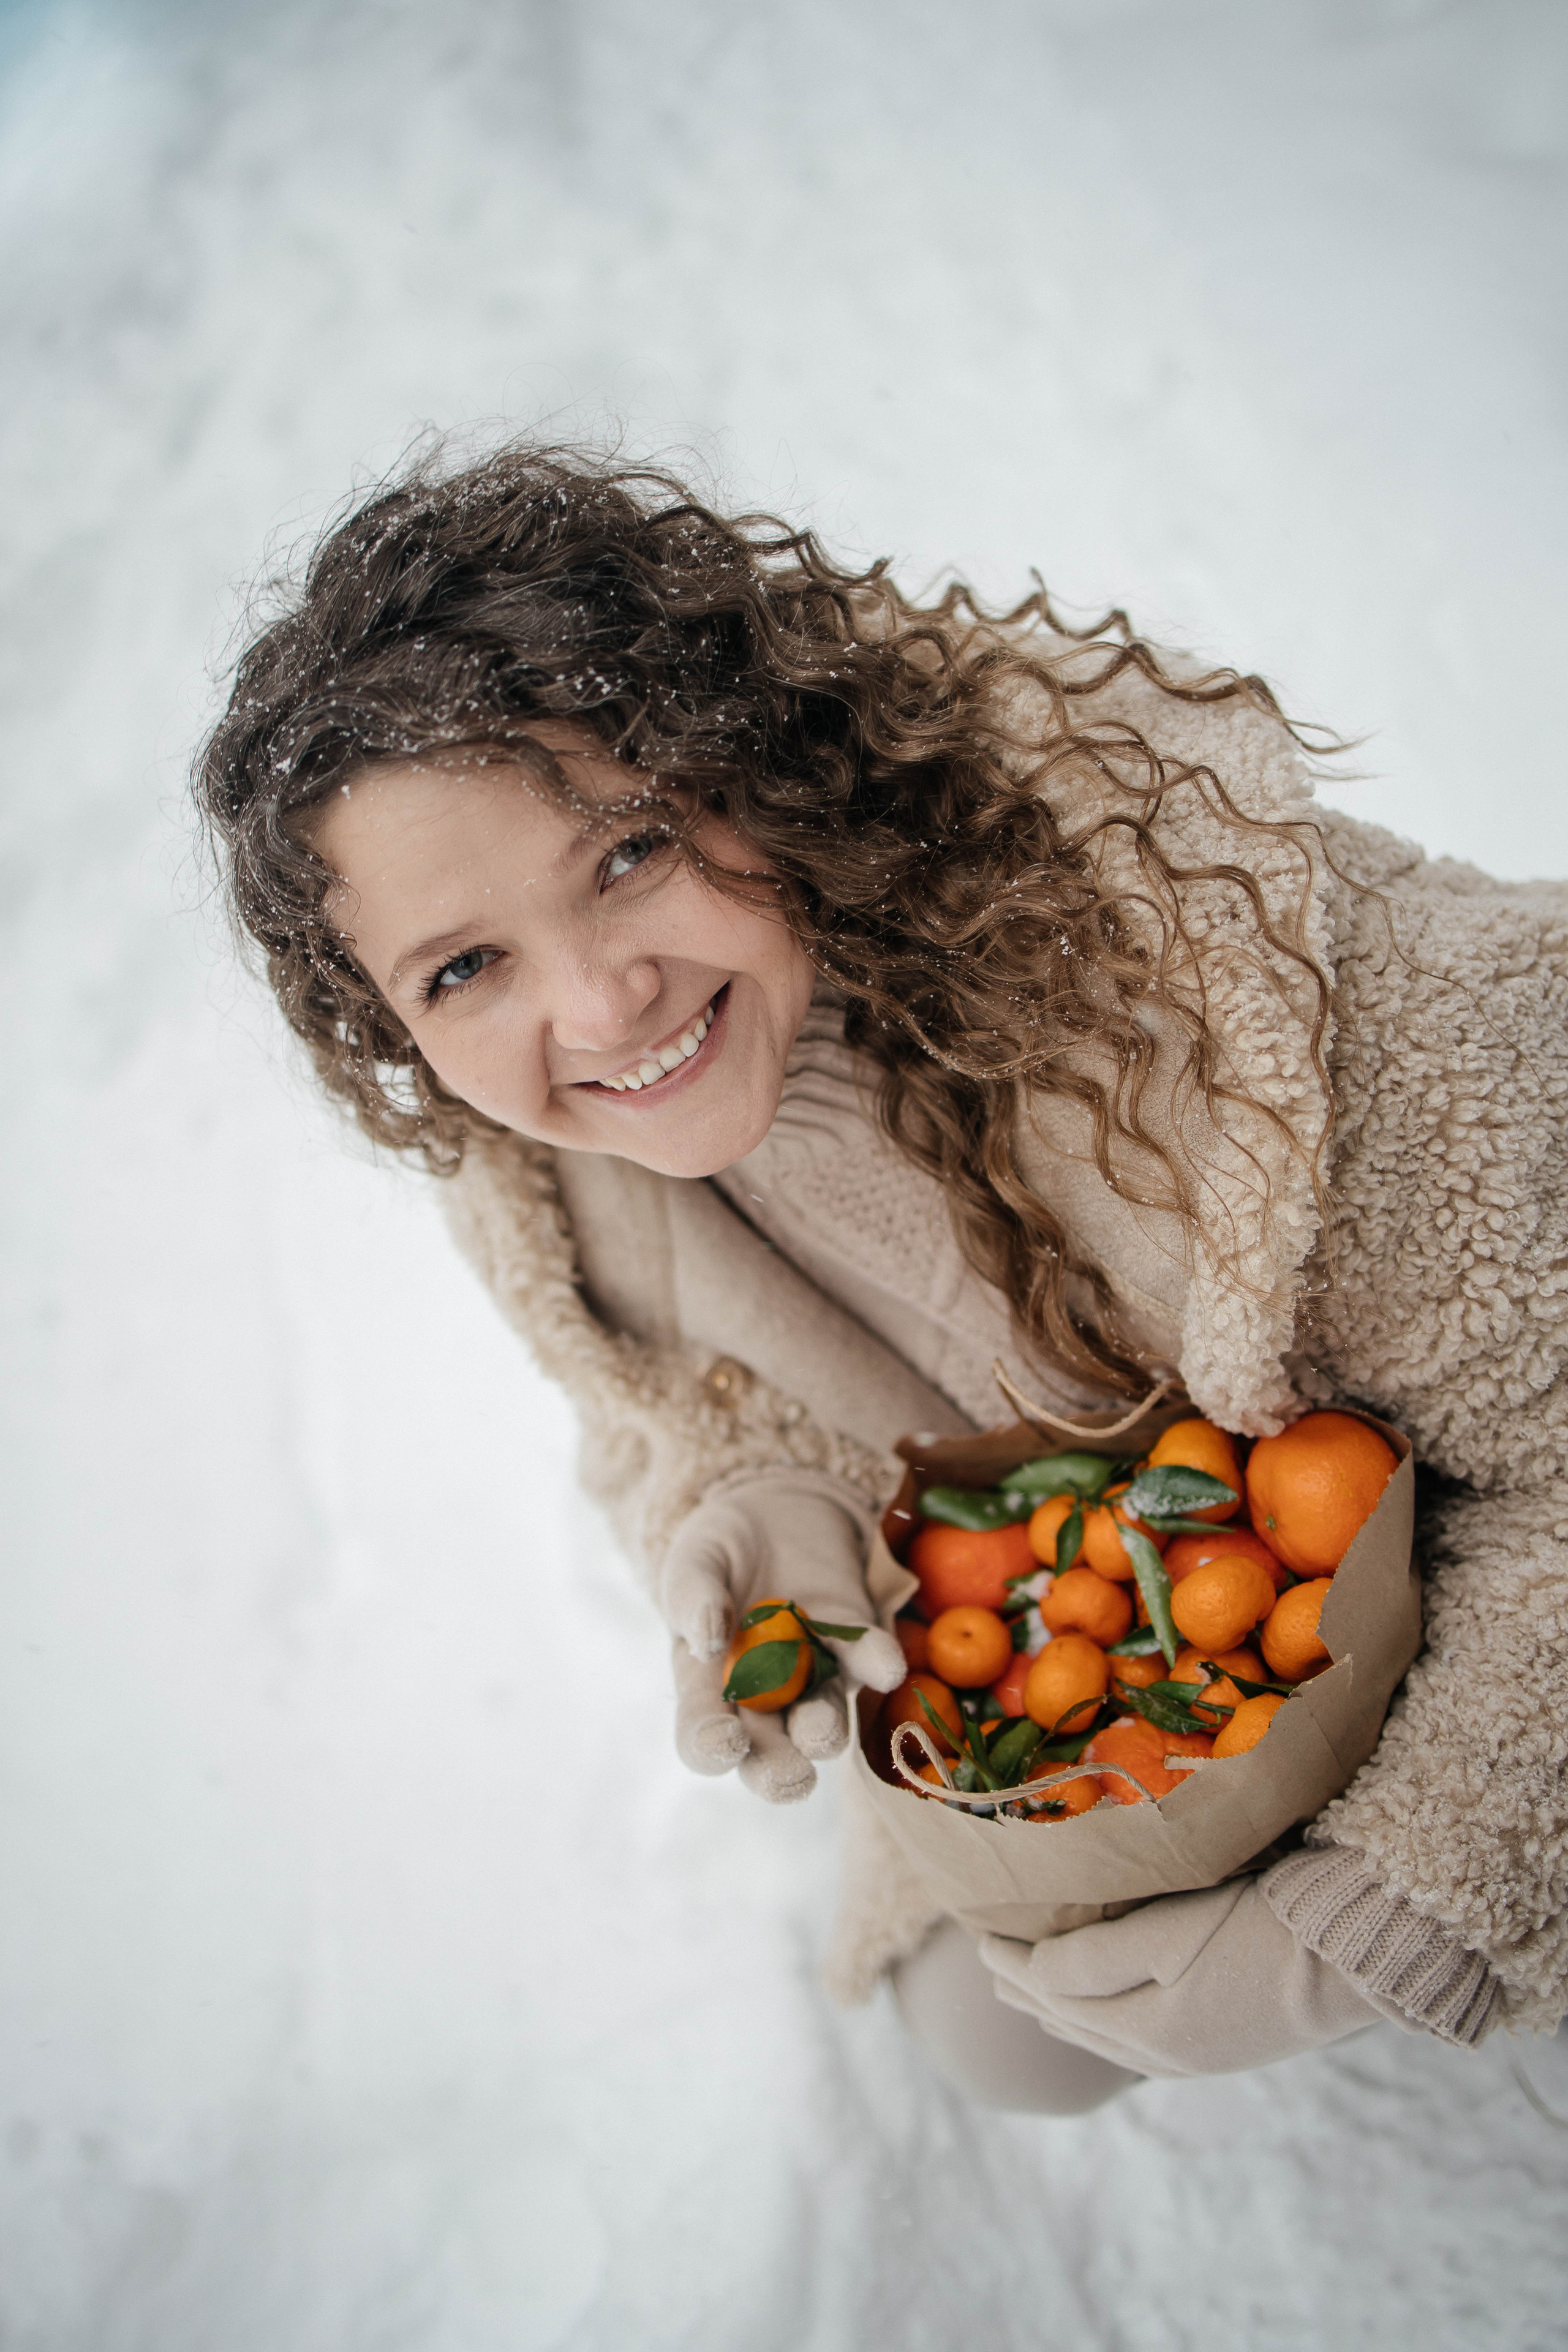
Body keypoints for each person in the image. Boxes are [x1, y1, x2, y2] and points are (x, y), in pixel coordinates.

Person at [195, 443, 1565, 2112]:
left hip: (1484, 1501)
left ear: (752, 765)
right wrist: (769, 1504)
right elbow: (669, 1412)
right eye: (467, 966)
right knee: (999, 2027)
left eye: (627, 854)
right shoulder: (554, 1179)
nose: (603, 1007)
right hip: (1182, 1579)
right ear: (386, 1021)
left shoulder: (1238, 991)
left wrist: (1394, 1915)